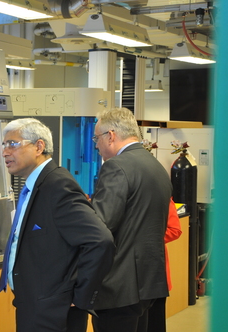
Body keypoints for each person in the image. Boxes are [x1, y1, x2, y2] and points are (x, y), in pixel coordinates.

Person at [0, 118, 115, 332]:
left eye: (13, 144)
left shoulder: (57, 185)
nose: (5, 152)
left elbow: (100, 241)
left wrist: (80, 296)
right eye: (3, 145)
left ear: (38, 147)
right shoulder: (35, 186)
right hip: (33, 303)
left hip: (53, 312)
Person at [90, 107, 172, 332]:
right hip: (149, 283)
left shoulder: (116, 166)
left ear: (111, 136)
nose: (96, 145)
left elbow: (101, 227)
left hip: (119, 288)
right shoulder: (156, 166)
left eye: (97, 138)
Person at [146, 197, 182, 332]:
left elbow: (174, 230)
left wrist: (145, 238)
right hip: (127, 276)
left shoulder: (163, 197)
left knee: (154, 321)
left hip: (155, 273)